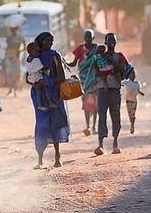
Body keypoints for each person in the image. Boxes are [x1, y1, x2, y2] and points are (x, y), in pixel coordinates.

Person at [28, 32, 70, 169]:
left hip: (54, 94)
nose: (49, 43)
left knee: (56, 124)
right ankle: (39, 159)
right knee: (41, 125)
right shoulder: (34, 56)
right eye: (47, 41)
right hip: (38, 95)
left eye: (51, 41)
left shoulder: (55, 55)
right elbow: (27, 77)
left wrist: (48, 82)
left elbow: (61, 77)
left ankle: (57, 157)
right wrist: (36, 83)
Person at [94, 33, 130, 156]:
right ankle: (100, 144)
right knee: (102, 117)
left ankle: (115, 143)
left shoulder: (119, 56)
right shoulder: (99, 57)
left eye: (113, 40)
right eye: (109, 40)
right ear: (105, 41)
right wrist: (112, 69)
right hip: (102, 90)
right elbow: (96, 73)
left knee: (116, 117)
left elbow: (124, 69)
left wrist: (111, 62)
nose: (111, 42)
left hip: (114, 89)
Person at [67, 29, 100, 136]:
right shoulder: (80, 49)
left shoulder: (97, 48)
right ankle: (88, 126)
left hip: (95, 79)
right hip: (84, 80)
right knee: (86, 102)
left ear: (93, 38)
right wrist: (63, 62)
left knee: (95, 103)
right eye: (86, 38)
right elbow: (73, 63)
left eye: (89, 38)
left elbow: (100, 61)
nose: (88, 40)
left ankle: (94, 126)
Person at [25, 42, 57, 112]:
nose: (39, 54)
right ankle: (50, 102)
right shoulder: (36, 60)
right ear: (32, 52)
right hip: (37, 77)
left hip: (30, 77)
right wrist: (50, 62)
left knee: (39, 90)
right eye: (37, 52)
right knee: (46, 87)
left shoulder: (28, 59)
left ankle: (40, 105)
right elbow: (43, 68)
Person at [4, 26, 25, 97]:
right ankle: (11, 89)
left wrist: (19, 51)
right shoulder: (9, 37)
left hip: (16, 56)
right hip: (10, 56)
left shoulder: (19, 37)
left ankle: (15, 89)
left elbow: (24, 47)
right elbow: (7, 47)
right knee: (10, 73)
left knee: (16, 73)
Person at [122, 69, 144, 134]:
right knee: (130, 114)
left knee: (132, 114)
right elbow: (121, 83)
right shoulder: (127, 82)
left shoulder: (137, 84)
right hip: (128, 100)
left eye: (133, 75)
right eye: (131, 75)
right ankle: (132, 125)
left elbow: (138, 90)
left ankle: (132, 125)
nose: (132, 76)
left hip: (134, 100)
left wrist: (141, 93)